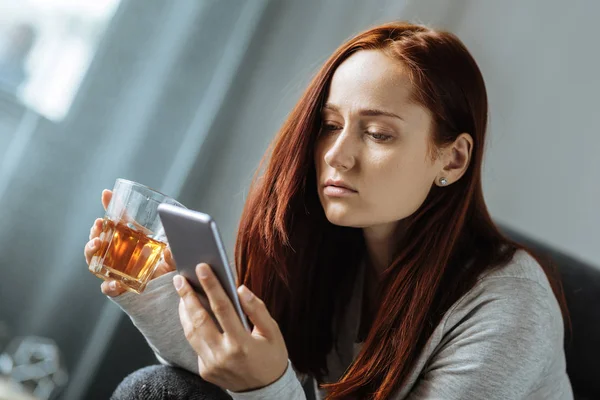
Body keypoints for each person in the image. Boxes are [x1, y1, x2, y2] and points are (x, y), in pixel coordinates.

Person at [84, 22, 573, 399]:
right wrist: (149, 288)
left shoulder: (512, 308)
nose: (337, 155)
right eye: (329, 124)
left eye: (378, 133)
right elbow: (234, 368)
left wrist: (265, 387)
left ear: (453, 158)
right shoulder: (333, 252)